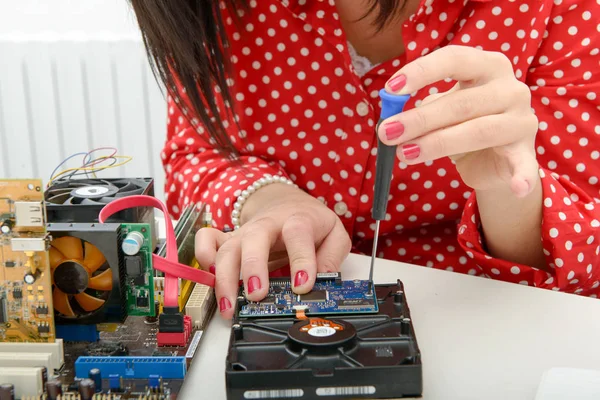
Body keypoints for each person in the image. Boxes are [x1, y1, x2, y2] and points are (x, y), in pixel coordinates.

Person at [131, 0, 600, 319]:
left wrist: (506, 190)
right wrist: (270, 202)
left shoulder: (555, 10)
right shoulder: (205, 10)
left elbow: (585, 264)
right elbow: (196, 151)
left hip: (486, 321)